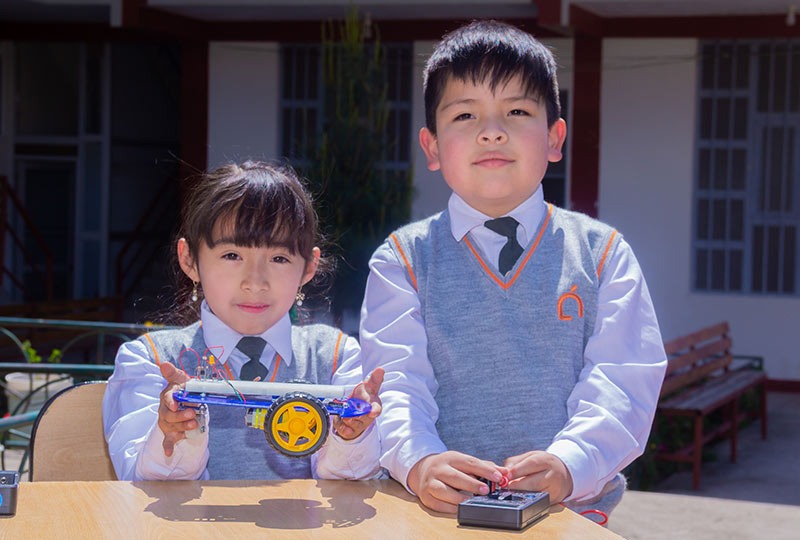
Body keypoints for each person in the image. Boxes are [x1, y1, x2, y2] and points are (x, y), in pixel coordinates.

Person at [359, 20, 667, 517]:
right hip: (434, 516)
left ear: (554, 138)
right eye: (464, 115)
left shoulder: (604, 254)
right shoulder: (401, 261)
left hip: (576, 515)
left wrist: (571, 463)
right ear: (432, 146)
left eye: (517, 111)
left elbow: (624, 379)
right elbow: (397, 383)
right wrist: (420, 461)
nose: (492, 131)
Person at [103, 160, 384, 481]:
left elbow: (353, 482)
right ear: (189, 259)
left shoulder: (337, 358)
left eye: (279, 258)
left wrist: (352, 435)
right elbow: (141, 485)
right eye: (232, 255)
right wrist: (174, 435)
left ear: (308, 267)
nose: (255, 282)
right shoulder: (149, 361)